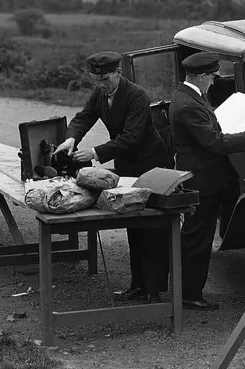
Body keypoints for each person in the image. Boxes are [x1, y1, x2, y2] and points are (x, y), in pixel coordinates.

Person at [55, 51, 172, 302]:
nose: (101, 85)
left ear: (119, 72)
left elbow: (133, 136)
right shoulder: (100, 93)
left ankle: (155, 289)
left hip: (152, 165)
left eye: (106, 79)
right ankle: (138, 285)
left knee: (155, 227)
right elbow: (83, 118)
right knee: (134, 224)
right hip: (128, 166)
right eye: (97, 80)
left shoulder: (137, 95)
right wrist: (70, 139)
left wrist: (95, 152)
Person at [170, 51, 245, 310]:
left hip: (206, 178)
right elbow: (213, 142)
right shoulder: (188, 104)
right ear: (199, 77)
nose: (213, 81)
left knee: (197, 237)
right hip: (201, 182)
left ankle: (189, 291)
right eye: (211, 77)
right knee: (198, 240)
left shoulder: (189, 96)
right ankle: (189, 294)